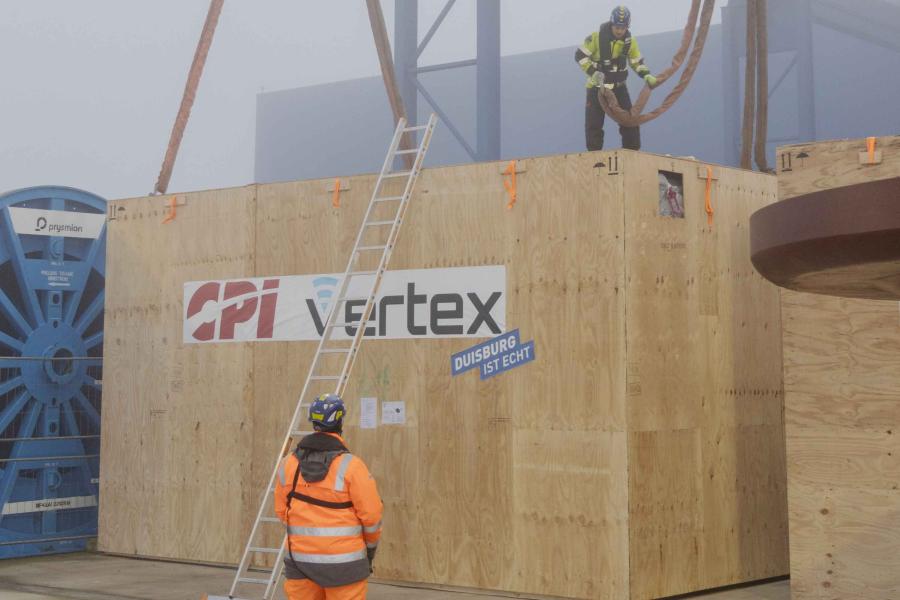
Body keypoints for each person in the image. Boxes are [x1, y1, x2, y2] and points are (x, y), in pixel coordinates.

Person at [275, 394, 383, 600]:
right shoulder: (352, 466)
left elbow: (282, 512)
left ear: (313, 422)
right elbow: (372, 517)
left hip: (300, 563)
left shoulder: (287, 464)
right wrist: (369, 551)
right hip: (344, 564)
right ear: (340, 421)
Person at [575, 5, 658, 151]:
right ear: (611, 24)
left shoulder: (630, 42)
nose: (619, 30)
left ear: (627, 27)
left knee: (630, 122)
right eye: (617, 27)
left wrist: (646, 75)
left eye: (623, 27)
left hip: (619, 88)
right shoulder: (596, 38)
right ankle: (594, 160)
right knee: (593, 125)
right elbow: (580, 56)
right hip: (597, 88)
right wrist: (593, 72)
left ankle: (631, 155)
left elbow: (636, 61)